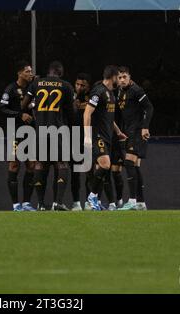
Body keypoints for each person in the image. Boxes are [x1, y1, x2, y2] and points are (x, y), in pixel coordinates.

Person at [21, 61, 74, 211]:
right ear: (60, 73)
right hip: (58, 130)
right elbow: (72, 113)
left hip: (40, 130)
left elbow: (24, 104)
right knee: (62, 164)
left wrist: (33, 107)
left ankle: (41, 204)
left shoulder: (36, 83)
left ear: (48, 71)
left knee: (40, 164)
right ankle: (58, 203)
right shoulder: (66, 86)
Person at [83, 65, 126, 211]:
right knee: (106, 164)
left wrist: (118, 131)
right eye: (118, 77)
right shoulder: (99, 91)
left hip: (107, 136)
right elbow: (87, 113)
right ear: (113, 76)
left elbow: (109, 117)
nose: (120, 80)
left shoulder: (111, 94)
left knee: (100, 169)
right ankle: (91, 196)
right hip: (97, 135)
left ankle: (94, 200)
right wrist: (87, 137)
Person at [0, 61, 36, 211]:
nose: (30, 74)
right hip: (15, 132)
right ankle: (15, 204)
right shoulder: (11, 89)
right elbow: (2, 108)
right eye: (27, 71)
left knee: (31, 165)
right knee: (14, 165)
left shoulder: (33, 88)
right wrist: (20, 115)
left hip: (30, 132)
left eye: (31, 71)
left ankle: (26, 203)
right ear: (20, 73)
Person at [116, 66, 154, 210]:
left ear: (129, 77)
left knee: (129, 163)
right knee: (135, 167)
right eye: (119, 77)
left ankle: (132, 201)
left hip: (138, 131)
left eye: (124, 76)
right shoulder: (120, 91)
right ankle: (141, 202)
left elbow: (149, 108)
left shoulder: (136, 90)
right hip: (129, 132)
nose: (122, 80)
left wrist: (145, 127)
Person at [71, 73, 92, 211]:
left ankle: (90, 201)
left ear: (87, 86)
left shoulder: (92, 97)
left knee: (89, 171)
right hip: (73, 136)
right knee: (75, 172)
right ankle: (76, 202)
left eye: (82, 85)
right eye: (77, 84)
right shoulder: (70, 95)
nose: (79, 87)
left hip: (88, 137)